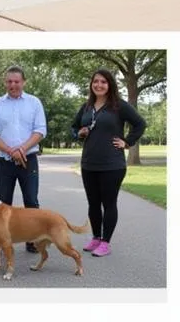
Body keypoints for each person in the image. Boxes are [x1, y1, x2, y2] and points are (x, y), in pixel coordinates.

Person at [71, 68, 147, 257]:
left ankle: (106, 242)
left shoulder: (118, 106)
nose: (99, 85)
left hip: (112, 165)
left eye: (103, 82)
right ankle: (96, 237)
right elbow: (74, 127)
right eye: (96, 81)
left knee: (109, 203)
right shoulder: (86, 107)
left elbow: (140, 123)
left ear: (110, 84)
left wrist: (127, 141)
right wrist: (79, 133)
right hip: (89, 163)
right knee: (93, 203)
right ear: (91, 84)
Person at [0, 65, 47, 253]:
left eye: (17, 81)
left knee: (31, 201)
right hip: (5, 161)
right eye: (9, 81)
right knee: (3, 202)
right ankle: (3, 239)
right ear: (6, 82)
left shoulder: (34, 102)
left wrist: (22, 148)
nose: (13, 85)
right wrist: (10, 150)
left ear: (23, 82)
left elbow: (40, 130)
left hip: (28, 160)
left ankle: (32, 239)